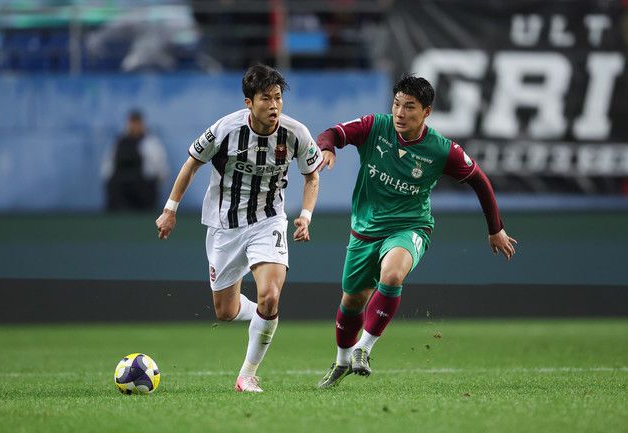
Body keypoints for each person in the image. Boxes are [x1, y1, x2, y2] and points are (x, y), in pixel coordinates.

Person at [315, 73, 517, 389]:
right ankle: (342, 361)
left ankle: (363, 349)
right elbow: (332, 134)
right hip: (364, 230)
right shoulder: (374, 126)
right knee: (352, 302)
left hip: (410, 227)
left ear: (426, 112)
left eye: (409, 107)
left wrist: (496, 229)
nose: (400, 113)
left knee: (393, 274)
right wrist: (327, 148)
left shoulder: (441, 149)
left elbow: (479, 180)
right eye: (397, 104)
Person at [155, 64, 321, 392]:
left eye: (278, 98)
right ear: (249, 102)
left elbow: (312, 175)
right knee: (225, 311)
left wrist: (306, 215)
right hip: (225, 227)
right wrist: (170, 210)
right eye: (265, 99)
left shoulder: (296, 133)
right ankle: (263, 316)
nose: (274, 105)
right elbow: (191, 164)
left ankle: (247, 374)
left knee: (270, 296)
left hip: (268, 221)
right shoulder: (225, 129)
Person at [102, 109, 168, 211]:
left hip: (143, 187)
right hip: (121, 188)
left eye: (137, 123)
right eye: (132, 123)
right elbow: (107, 167)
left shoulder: (151, 142)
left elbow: (161, 169)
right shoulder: (118, 142)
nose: (135, 126)